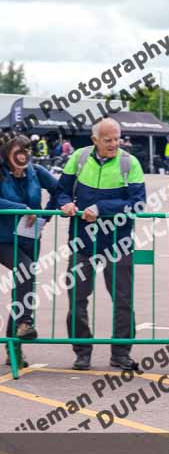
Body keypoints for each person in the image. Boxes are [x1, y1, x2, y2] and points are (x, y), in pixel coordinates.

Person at [57, 118, 147, 371]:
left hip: (118, 244)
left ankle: (120, 354)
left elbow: (138, 203)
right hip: (82, 243)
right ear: (94, 140)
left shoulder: (130, 163)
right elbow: (60, 191)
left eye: (117, 138)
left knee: (123, 300)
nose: (114, 144)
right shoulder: (79, 157)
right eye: (108, 140)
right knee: (77, 299)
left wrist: (102, 208)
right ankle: (82, 351)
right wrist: (65, 203)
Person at [0, 133, 60, 367]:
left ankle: (13, 348)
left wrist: (47, 215)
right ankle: (25, 321)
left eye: (25, 151)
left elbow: (60, 190)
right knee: (25, 271)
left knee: (22, 288)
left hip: (29, 238)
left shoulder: (35, 172)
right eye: (17, 152)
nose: (22, 156)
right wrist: (22, 208)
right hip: (3, 238)